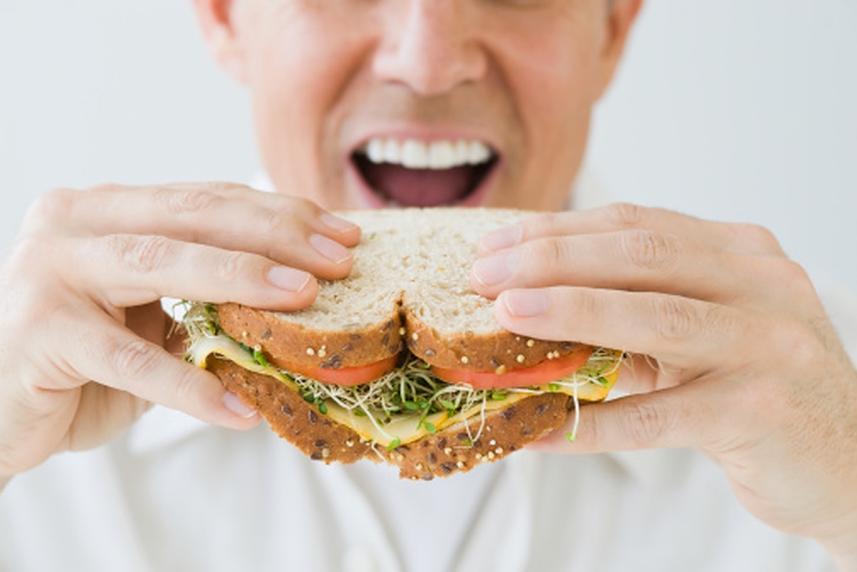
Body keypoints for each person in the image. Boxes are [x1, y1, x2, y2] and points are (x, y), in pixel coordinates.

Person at [1, 0, 855, 570]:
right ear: (226, 17)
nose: (428, 60)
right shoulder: (40, 393)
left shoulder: (812, 389)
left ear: (612, 27)